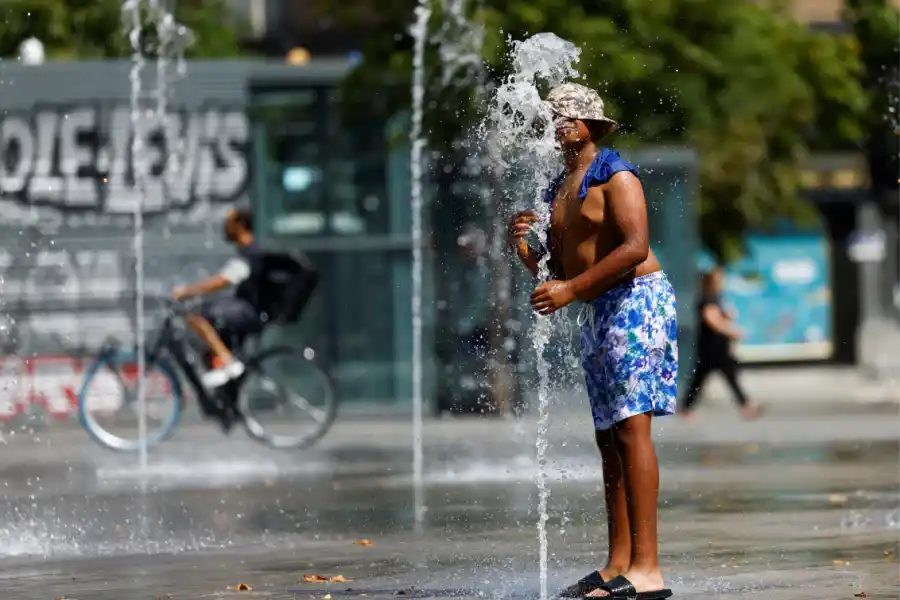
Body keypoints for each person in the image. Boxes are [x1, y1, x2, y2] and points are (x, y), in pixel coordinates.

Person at [508, 83, 676, 599]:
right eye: (552, 117)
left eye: (563, 117)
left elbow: (634, 247)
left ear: (586, 126)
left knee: (631, 429)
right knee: (608, 437)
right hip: (600, 308)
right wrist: (525, 251)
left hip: (637, 302)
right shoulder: (562, 184)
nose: (555, 125)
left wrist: (571, 290)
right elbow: (563, 268)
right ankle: (617, 562)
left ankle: (647, 570)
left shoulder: (616, 174)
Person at [171, 206, 263, 389]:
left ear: (240, 225)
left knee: (195, 314)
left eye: (228, 223)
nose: (224, 227)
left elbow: (222, 281)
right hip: (247, 308)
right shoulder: (248, 251)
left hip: (249, 310)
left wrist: (187, 291)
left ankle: (227, 361)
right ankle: (227, 385)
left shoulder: (250, 252)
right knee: (210, 333)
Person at [680, 267, 763, 420]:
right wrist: (731, 331)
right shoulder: (708, 299)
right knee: (707, 377)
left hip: (717, 346)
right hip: (712, 347)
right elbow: (712, 320)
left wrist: (729, 316)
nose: (721, 282)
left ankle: (686, 407)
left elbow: (721, 317)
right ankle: (745, 405)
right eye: (719, 279)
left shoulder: (716, 298)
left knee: (712, 376)